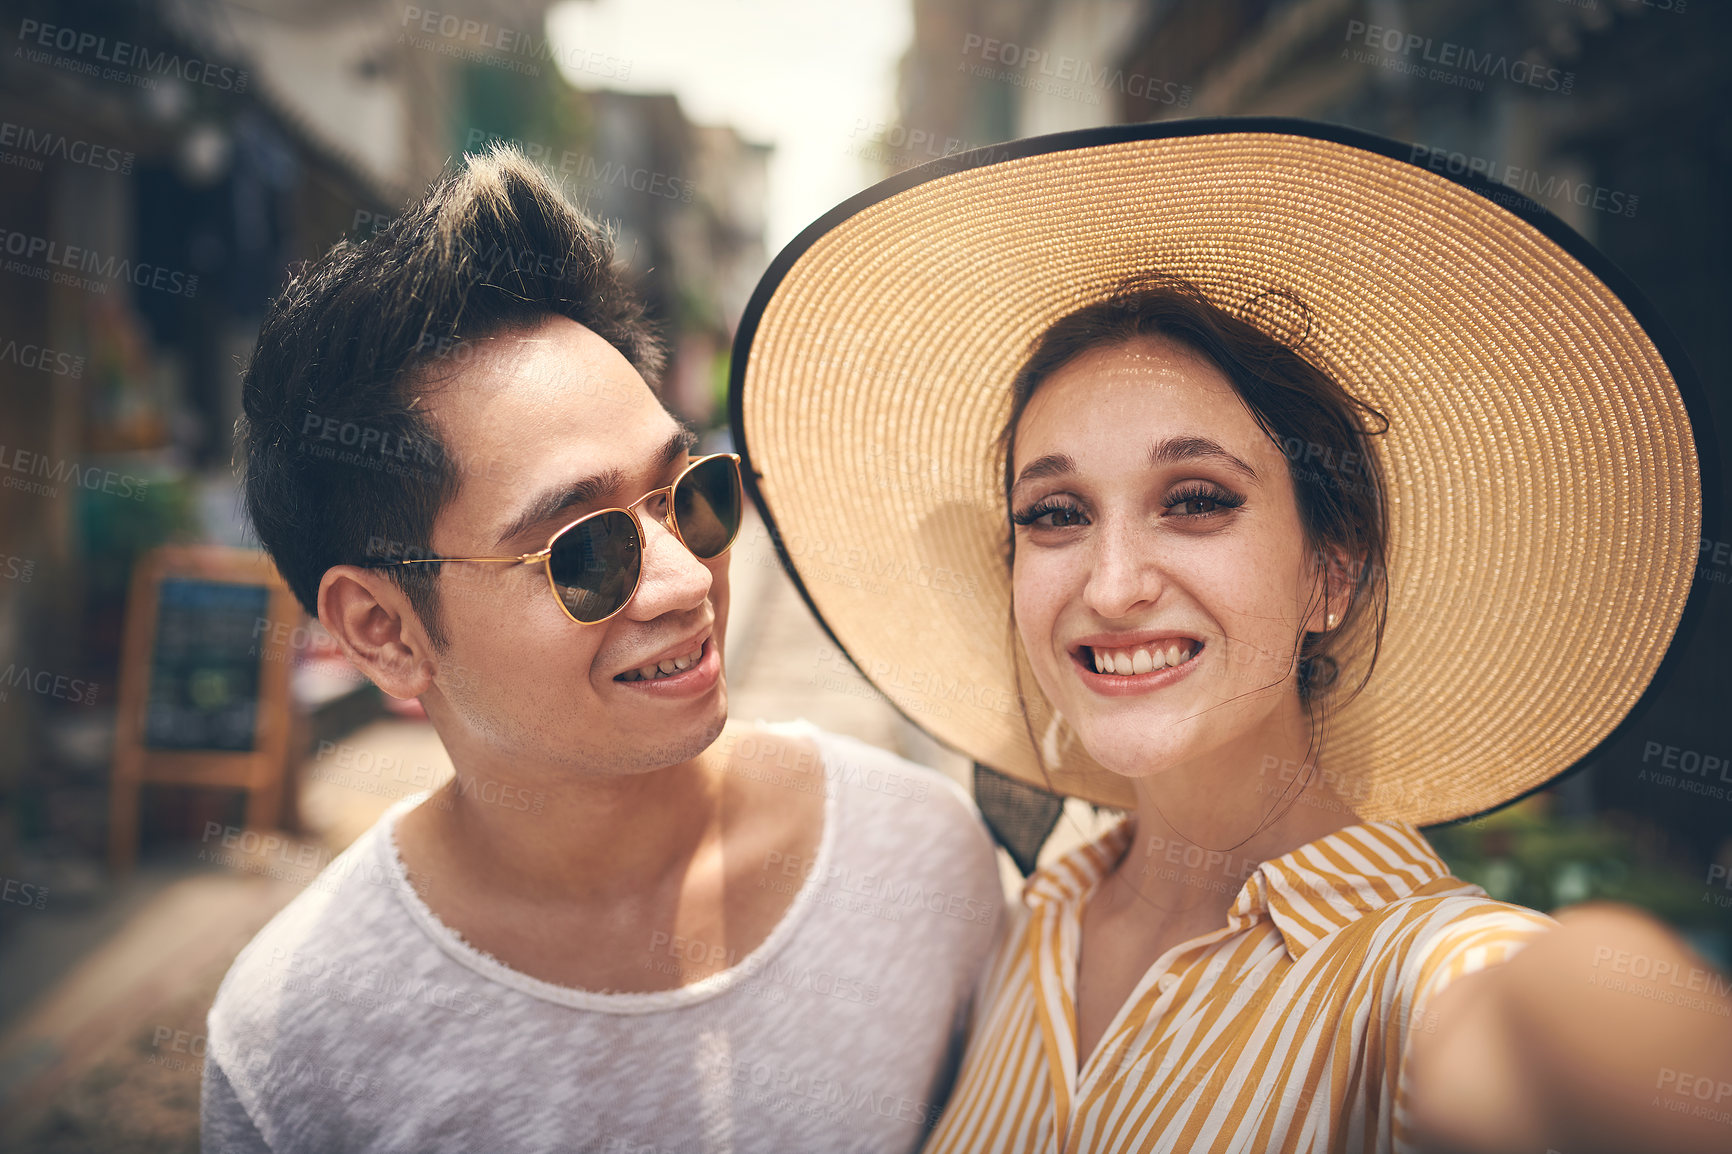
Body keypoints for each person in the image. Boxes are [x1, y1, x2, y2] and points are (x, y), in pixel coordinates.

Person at [729, 121, 1732, 1152]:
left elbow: (1543, 1024)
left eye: (1196, 498)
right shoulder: (1024, 924)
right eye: (1056, 513)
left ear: (1329, 571)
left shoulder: (1410, 976)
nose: (1112, 586)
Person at [201, 144, 1003, 1154]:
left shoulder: (922, 860)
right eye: (583, 549)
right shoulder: (298, 1037)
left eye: (689, 494)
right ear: (384, 630)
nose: (684, 580)